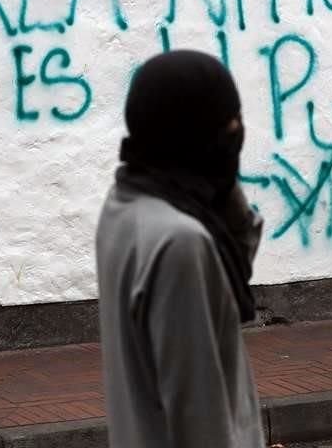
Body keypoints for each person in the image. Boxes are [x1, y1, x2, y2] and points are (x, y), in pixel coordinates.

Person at [95, 49, 265, 448]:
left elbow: (234, 262)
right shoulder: (180, 242)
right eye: (230, 124)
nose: (239, 132)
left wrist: (220, 188)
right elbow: (197, 413)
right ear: (196, 137)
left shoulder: (124, 206)